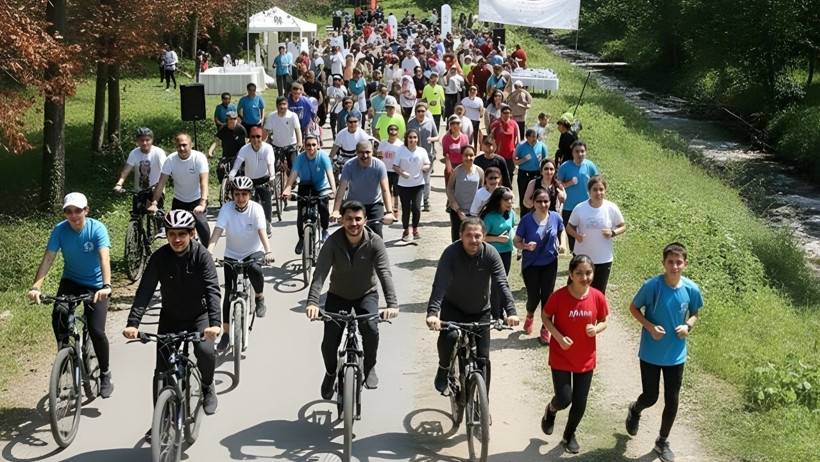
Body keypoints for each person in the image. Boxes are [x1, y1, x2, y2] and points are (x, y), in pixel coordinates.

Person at [123, 210, 221, 434]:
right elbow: (145, 291)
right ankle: (161, 420)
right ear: (166, 235)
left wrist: (214, 324)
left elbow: (212, 290)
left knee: (205, 351)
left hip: (199, 316)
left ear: (192, 233)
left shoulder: (201, 256)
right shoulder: (159, 258)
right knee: (162, 371)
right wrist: (133, 323)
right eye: (172, 234)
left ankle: (207, 385)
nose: (177, 239)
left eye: (182, 234)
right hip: (171, 317)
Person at [306, 200, 399, 398]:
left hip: (366, 294)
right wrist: (313, 302)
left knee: (371, 328)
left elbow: (384, 273)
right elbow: (320, 272)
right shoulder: (332, 242)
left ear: (365, 220)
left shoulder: (375, 242)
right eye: (349, 219)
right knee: (329, 343)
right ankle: (331, 372)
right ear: (342, 221)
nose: (353, 223)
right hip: (338, 295)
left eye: (358, 219)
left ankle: (369, 366)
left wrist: (392, 304)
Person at [28, 192, 114, 399]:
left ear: (86, 210)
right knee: (59, 312)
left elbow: (104, 258)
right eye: (69, 211)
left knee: (96, 330)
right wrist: (36, 287)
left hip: (96, 286)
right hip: (72, 282)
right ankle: (65, 354)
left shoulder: (97, 228)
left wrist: (106, 285)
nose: (73, 215)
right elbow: (49, 258)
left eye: (78, 211)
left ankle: (105, 374)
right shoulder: (60, 230)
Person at [625, 242, 702, 462]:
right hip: (651, 352)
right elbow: (633, 308)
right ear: (663, 263)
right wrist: (649, 326)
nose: (675, 266)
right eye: (670, 262)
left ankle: (662, 440)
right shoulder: (652, 286)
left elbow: (695, 312)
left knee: (672, 399)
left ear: (685, 264)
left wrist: (688, 326)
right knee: (650, 396)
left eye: (679, 262)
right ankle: (635, 409)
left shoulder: (691, 289)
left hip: (676, 354)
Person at [426, 217, 519, 394]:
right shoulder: (451, 253)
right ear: (460, 235)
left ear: (484, 236)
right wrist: (432, 313)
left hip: (481, 311)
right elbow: (440, 284)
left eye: (477, 235)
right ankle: (444, 367)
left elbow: (501, 284)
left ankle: (483, 404)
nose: (473, 240)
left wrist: (511, 312)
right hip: (453, 308)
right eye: (468, 235)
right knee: (450, 337)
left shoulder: (491, 253)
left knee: (483, 359)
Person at [540, 254, 608, 454]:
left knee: (580, 403)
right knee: (564, 398)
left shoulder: (597, 296)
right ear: (571, 274)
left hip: (585, 357)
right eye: (579, 273)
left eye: (588, 273)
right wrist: (559, 337)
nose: (584, 277)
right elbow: (545, 316)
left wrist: (597, 329)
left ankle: (569, 435)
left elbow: (604, 319)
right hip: (561, 355)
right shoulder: (559, 296)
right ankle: (551, 410)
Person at [208, 177, 274, 351]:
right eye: (237, 194)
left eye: (244, 194)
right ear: (232, 195)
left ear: (250, 194)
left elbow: (262, 232)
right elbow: (217, 231)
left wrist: (267, 252)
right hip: (232, 254)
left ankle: (259, 297)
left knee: (254, 269)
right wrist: (209, 250)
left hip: (253, 251)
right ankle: (226, 333)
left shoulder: (256, 209)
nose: (240, 197)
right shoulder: (226, 209)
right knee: (229, 293)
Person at [514, 188, 564, 343]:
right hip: (531, 264)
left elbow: (561, 231)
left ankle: (545, 328)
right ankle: (530, 314)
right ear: (533, 203)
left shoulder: (555, 217)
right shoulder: (526, 220)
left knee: (547, 297)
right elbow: (516, 241)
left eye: (546, 201)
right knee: (534, 296)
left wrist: (562, 244)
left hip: (550, 261)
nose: (543, 204)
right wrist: (526, 246)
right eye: (539, 201)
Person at [148, 133, 211, 247]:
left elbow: (203, 182)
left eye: (184, 145)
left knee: (202, 227)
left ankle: (208, 254)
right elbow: (161, 182)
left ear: (191, 145)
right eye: (178, 146)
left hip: (197, 200)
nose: (181, 148)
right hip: (179, 200)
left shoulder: (199, 157)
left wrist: (203, 203)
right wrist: (154, 203)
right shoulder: (171, 160)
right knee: (174, 232)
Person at [567, 176, 626, 294]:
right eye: (594, 189)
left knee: (598, 293)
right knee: (574, 290)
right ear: (589, 191)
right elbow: (569, 227)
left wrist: (612, 233)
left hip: (603, 258)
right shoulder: (580, 208)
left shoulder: (611, 208)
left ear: (605, 191)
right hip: (582, 257)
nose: (598, 193)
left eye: (601, 189)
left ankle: (595, 313)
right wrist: (577, 235)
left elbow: (623, 226)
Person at [282, 134, 336, 254]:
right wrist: (287, 189)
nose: (311, 148)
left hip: (321, 186)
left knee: (323, 206)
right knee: (301, 213)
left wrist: (333, 190)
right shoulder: (300, 158)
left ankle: (324, 230)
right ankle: (301, 238)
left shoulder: (323, 157)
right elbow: (293, 175)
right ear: (304, 147)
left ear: (318, 146)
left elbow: (330, 174)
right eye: (308, 145)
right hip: (305, 186)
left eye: (313, 145)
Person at [331, 140, 396, 237]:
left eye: (367, 152)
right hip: (354, 204)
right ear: (356, 152)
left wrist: (389, 212)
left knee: (377, 234)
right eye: (361, 152)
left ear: (372, 152)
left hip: (374, 204)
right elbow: (341, 189)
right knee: (351, 232)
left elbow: (385, 189)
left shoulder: (379, 165)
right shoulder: (349, 165)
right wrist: (336, 210)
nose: (364, 155)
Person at [228, 125, 276, 235]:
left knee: (266, 200)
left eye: (258, 137)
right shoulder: (245, 149)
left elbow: (270, 164)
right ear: (250, 138)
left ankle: (268, 222)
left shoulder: (267, 148)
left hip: (264, 179)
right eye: (253, 137)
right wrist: (231, 175)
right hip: (250, 181)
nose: (255, 140)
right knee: (248, 202)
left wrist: (272, 177)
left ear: (262, 137)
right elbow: (236, 165)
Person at [479, 187, 517, 321]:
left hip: (507, 251)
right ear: (498, 200)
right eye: (506, 199)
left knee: (503, 282)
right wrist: (498, 238)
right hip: (494, 253)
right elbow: (481, 237)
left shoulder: (511, 213)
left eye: (511, 199)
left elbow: (514, 227)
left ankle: (500, 312)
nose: (510, 202)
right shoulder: (489, 217)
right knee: (496, 283)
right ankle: (496, 314)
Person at [558, 141, 599, 253]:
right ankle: (575, 255)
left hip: (587, 206)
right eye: (577, 151)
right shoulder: (565, 167)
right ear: (572, 153)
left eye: (582, 151)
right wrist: (569, 183)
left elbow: (598, 184)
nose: (580, 154)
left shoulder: (590, 166)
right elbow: (558, 185)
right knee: (571, 233)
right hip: (569, 207)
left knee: (587, 232)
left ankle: (587, 255)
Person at [393, 129, 430, 242]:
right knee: (406, 209)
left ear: (418, 139)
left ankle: (415, 229)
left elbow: (427, 163)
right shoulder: (401, 150)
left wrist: (425, 168)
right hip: (404, 185)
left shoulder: (422, 151)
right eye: (410, 137)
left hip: (418, 184)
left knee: (417, 208)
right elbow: (395, 166)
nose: (412, 140)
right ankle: (405, 230)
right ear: (406, 139)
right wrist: (402, 173)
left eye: (415, 137)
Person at [113, 127, 167, 204]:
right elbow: (126, 171)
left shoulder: (159, 152)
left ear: (152, 140)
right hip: (139, 191)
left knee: (155, 214)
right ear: (137, 141)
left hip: (156, 190)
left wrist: (159, 185)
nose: (144, 143)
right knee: (136, 214)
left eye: (147, 140)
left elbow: (165, 171)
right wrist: (119, 184)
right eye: (141, 140)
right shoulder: (134, 153)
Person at [446, 145, 484, 242]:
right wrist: (457, 209)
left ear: (474, 156)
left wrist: (479, 209)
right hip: (457, 210)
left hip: (473, 211)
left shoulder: (480, 171)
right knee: (457, 237)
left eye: (471, 155)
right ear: (461, 156)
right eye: (466, 155)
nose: (468, 158)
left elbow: (481, 190)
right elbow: (449, 188)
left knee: (471, 236)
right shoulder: (457, 171)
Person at [406, 102, 440, 211]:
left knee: (426, 180)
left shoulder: (430, 122)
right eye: (418, 111)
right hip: (413, 155)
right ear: (415, 113)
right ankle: (414, 200)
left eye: (423, 111)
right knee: (413, 178)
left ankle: (425, 200)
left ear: (426, 112)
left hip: (428, 155)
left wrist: (431, 139)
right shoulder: (411, 123)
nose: (421, 113)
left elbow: (437, 136)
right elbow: (406, 138)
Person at [208, 111, 247, 186]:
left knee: (239, 173)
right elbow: (216, 141)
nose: (233, 121)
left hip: (238, 156)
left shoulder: (241, 130)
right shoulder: (223, 128)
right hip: (226, 155)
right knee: (220, 169)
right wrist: (210, 151)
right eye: (230, 119)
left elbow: (245, 146)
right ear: (227, 120)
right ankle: (223, 186)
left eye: (234, 119)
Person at [264, 96, 302, 173]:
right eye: (280, 104)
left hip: (291, 146)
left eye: (284, 104)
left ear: (287, 105)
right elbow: (266, 131)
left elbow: (298, 130)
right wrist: (263, 143)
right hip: (277, 146)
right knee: (273, 167)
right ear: (277, 106)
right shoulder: (272, 116)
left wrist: (299, 142)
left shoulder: (293, 116)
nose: (282, 107)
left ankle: (294, 182)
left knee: (294, 167)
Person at [514, 129, 548, 214]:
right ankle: (524, 215)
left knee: (536, 195)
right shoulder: (521, 147)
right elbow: (515, 162)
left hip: (536, 173)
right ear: (527, 137)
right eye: (532, 136)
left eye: (536, 136)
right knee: (523, 195)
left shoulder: (541, 146)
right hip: (524, 173)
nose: (534, 138)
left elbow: (545, 160)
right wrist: (524, 159)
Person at [376, 124, 403, 219]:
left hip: (395, 170)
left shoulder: (400, 145)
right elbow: (379, 155)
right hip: (385, 170)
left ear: (398, 132)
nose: (393, 131)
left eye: (395, 129)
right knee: (386, 189)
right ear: (388, 132)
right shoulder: (383, 143)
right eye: (391, 129)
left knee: (396, 191)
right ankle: (389, 209)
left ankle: (395, 209)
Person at [489, 104, 520, 184]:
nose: (506, 115)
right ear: (501, 113)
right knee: (498, 174)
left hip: (510, 154)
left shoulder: (514, 124)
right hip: (498, 154)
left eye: (508, 113)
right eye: (505, 113)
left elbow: (518, 138)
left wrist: (516, 151)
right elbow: (490, 137)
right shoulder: (496, 123)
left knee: (510, 173)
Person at [441, 115, 471, 185]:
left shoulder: (465, 137)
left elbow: (467, 152)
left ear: (460, 125)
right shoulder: (446, 138)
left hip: (462, 165)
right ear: (449, 126)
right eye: (452, 124)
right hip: (451, 165)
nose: (455, 126)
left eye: (457, 123)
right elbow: (445, 153)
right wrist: (449, 168)